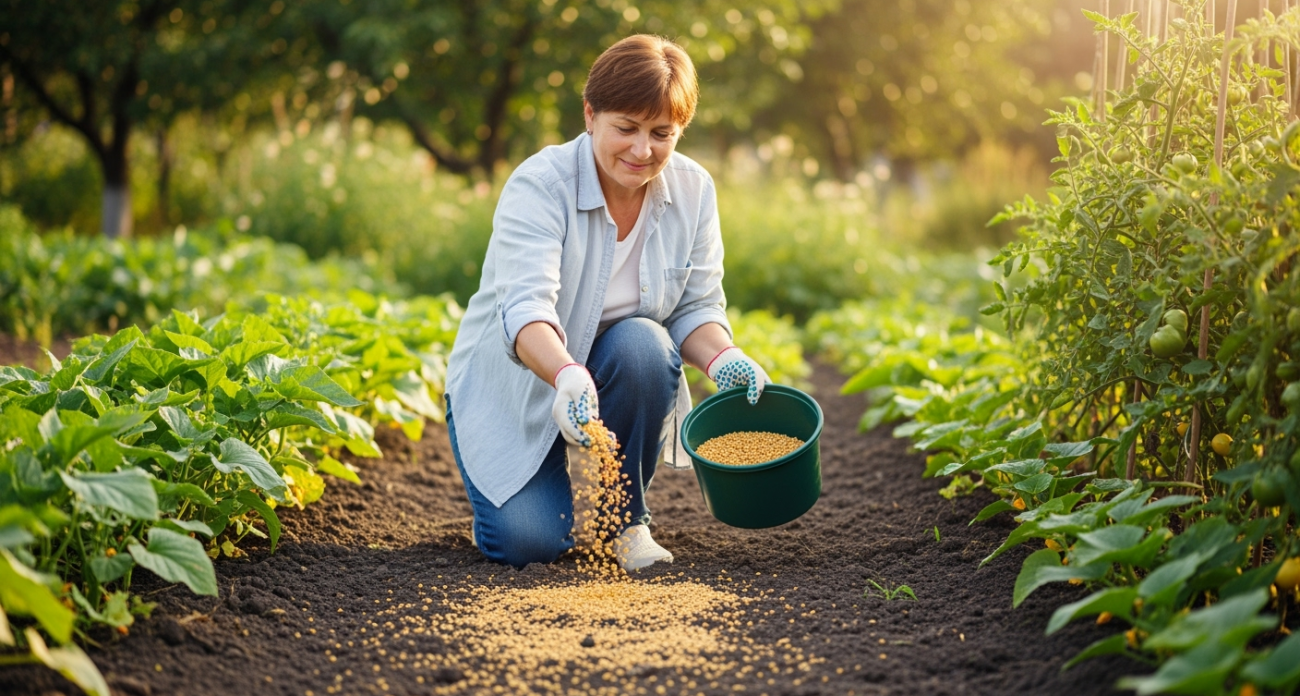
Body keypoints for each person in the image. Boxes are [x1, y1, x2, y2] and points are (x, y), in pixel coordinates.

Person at [443, 34, 770, 571]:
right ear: (590, 115)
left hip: (619, 367)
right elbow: (525, 311)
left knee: (645, 344)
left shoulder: (692, 190)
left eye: (661, 133)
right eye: (626, 129)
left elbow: (696, 306)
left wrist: (723, 359)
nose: (643, 151)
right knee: (530, 545)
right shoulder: (541, 185)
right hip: (519, 382)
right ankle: (518, 496)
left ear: (679, 130)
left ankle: (624, 522)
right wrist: (567, 373)